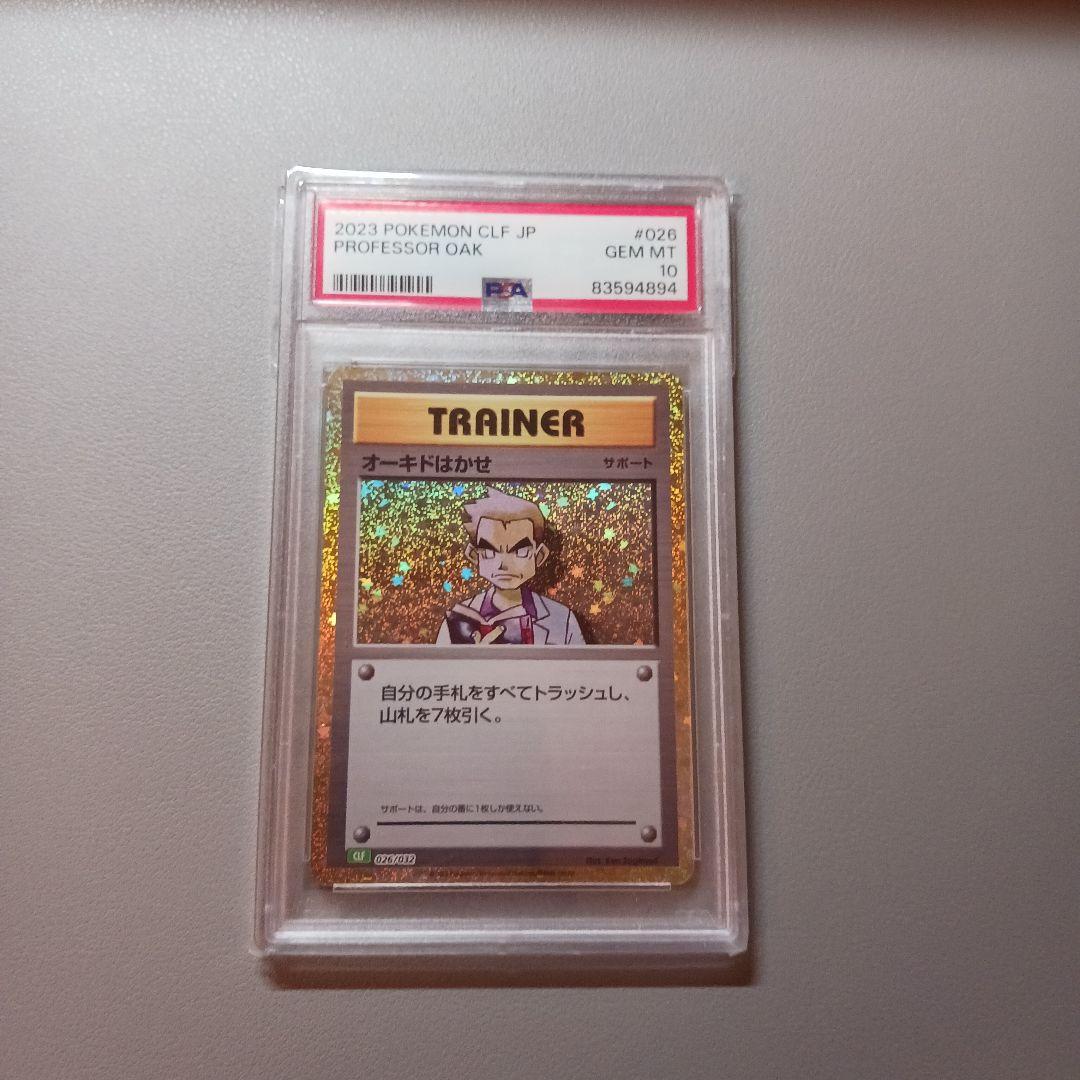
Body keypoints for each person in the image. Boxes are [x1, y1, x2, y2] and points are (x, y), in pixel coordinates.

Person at [436, 488, 586, 646]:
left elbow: (580, 661)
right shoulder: (457, 620)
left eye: (520, 551)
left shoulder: (563, 619)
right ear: (474, 555)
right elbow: (438, 661)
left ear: (539, 556)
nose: (503, 565)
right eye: (490, 551)